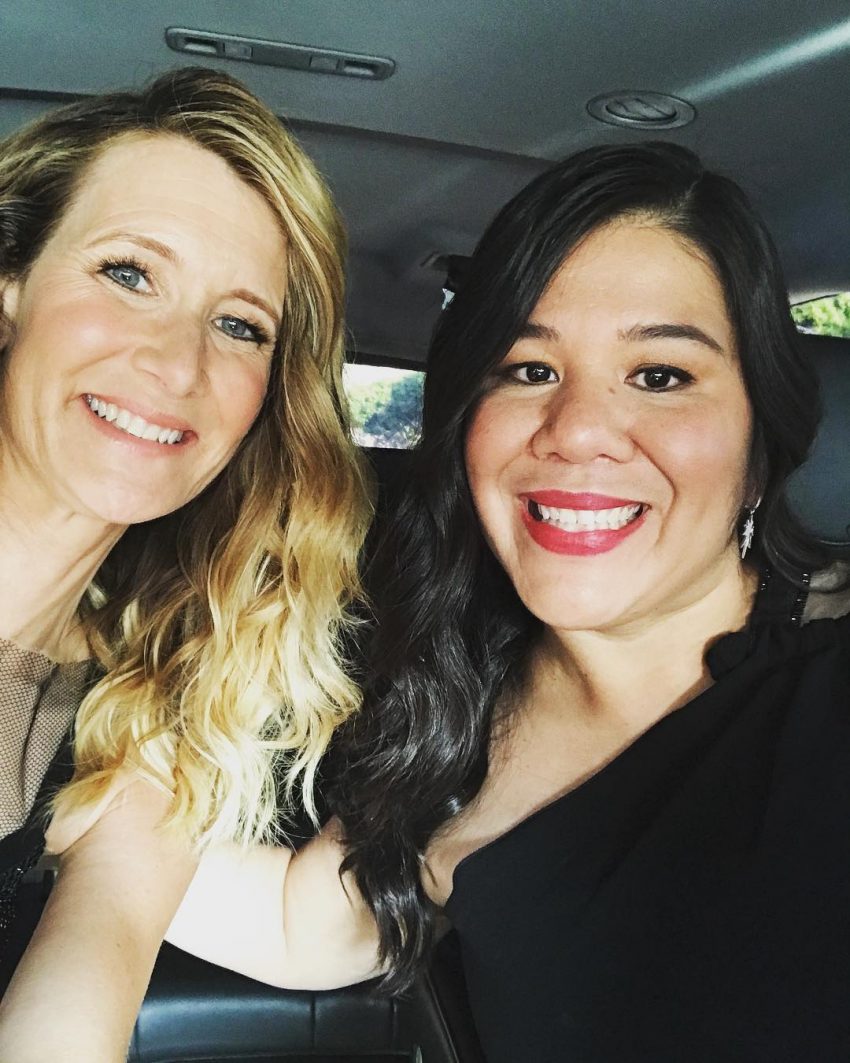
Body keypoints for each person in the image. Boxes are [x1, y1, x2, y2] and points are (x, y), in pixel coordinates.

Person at [162, 142, 847, 1063]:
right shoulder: (460, 700)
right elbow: (299, 921)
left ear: (761, 444)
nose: (578, 431)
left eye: (660, 375)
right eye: (529, 369)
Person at [0, 67, 369, 1060]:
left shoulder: (128, 718)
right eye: (128, 273)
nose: (177, 363)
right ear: (12, 285)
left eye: (240, 325)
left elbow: (81, 1005)